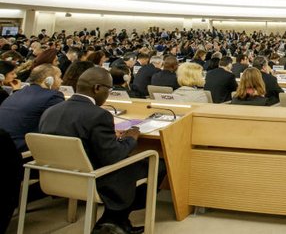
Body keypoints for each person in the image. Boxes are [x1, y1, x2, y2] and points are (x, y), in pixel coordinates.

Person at [39, 67, 166, 234]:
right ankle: (114, 217)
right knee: (158, 164)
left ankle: (116, 220)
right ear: (97, 88)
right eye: (109, 89)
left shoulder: (50, 111)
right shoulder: (98, 115)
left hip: (57, 176)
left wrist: (107, 135)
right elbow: (113, 156)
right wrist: (131, 138)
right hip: (92, 177)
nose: (109, 94)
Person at [0, 64, 64, 152]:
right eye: (59, 77)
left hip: (6, 145)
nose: (62, 81)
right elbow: (61, 123)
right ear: (49, 80)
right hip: (21, 149)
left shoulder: (18, 93)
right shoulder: (53, 96)